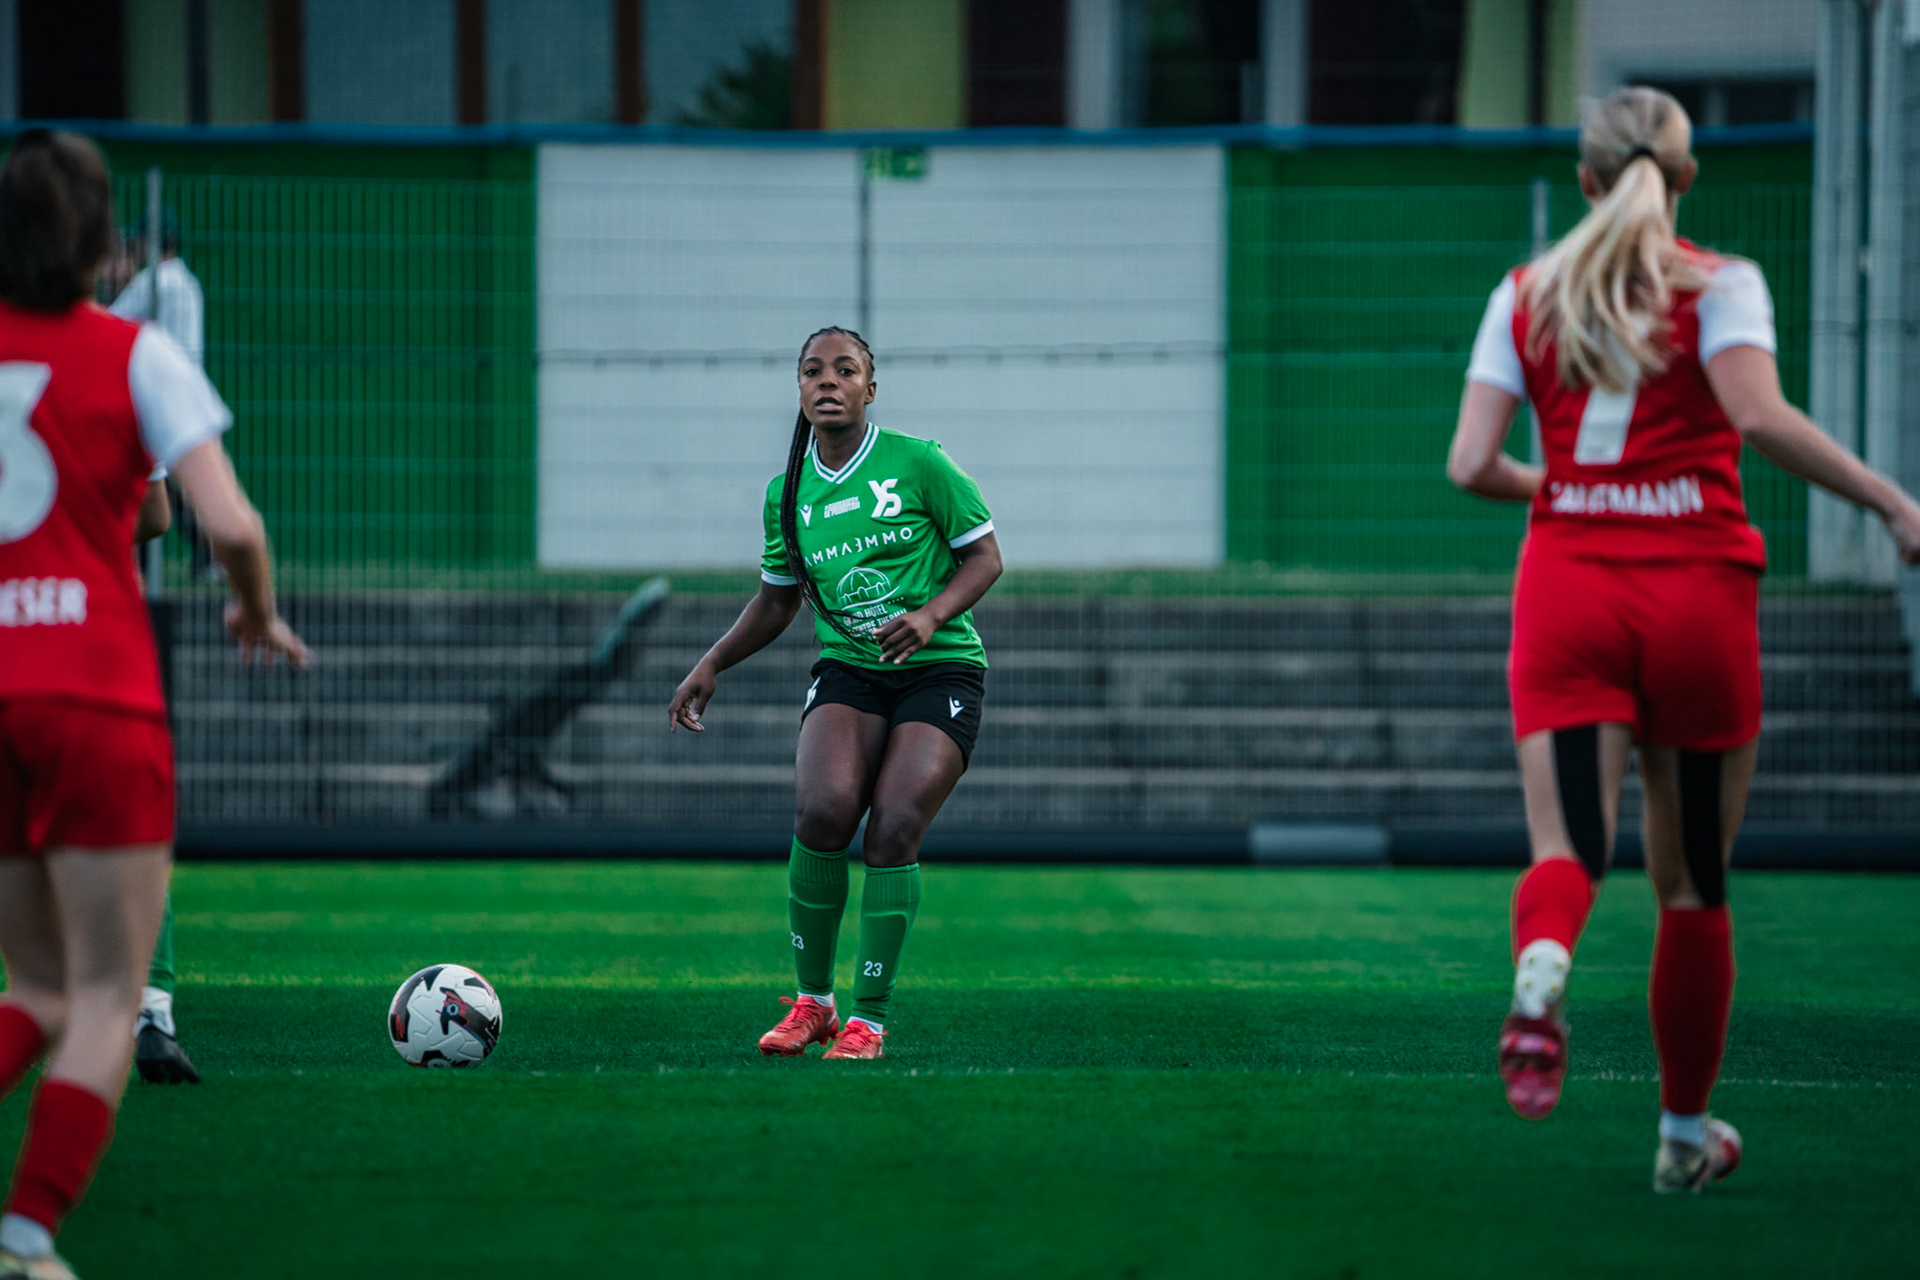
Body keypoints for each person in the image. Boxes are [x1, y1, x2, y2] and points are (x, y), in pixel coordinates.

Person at [1447, 87, 1920, 1194]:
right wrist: (1892, 502)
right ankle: (1681, 1134)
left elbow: (1471, 463)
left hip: (1567, 591)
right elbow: (1756, 416)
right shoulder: (1720, 284)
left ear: (1585, 179)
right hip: (1701, 594)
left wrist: (1567, 490)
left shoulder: (1526, 293)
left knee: (1566, 851)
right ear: (1687, 177)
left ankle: (1541, 963)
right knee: (1693, 884)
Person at [0, 130, 309, 1280]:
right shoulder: (134, 353)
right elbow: (219, 522)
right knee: (98, 992)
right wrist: (255, 609)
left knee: (26, 984)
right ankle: (27, 1236)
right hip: (91, 688)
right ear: (100, 242)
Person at [667, 327, 1003, 1061]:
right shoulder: (786, 495)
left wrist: (929, 616)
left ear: (869, 389)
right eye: (813, 371)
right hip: (851, 669)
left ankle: (868, 1022)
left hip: (939, 666)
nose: (828, 382)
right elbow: (778, 601)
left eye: (844, 370)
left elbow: (985, 557)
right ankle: (813, 1004)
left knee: (892, 827)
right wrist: (713, 663)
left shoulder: (918, 463)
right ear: (799, 390)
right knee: (821, 813)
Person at [107, 214, 217, 1080]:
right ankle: (153, 1006)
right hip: (84, 648)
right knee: (137, 830)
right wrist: (255, 601)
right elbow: (158, 510)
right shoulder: (123, 354)